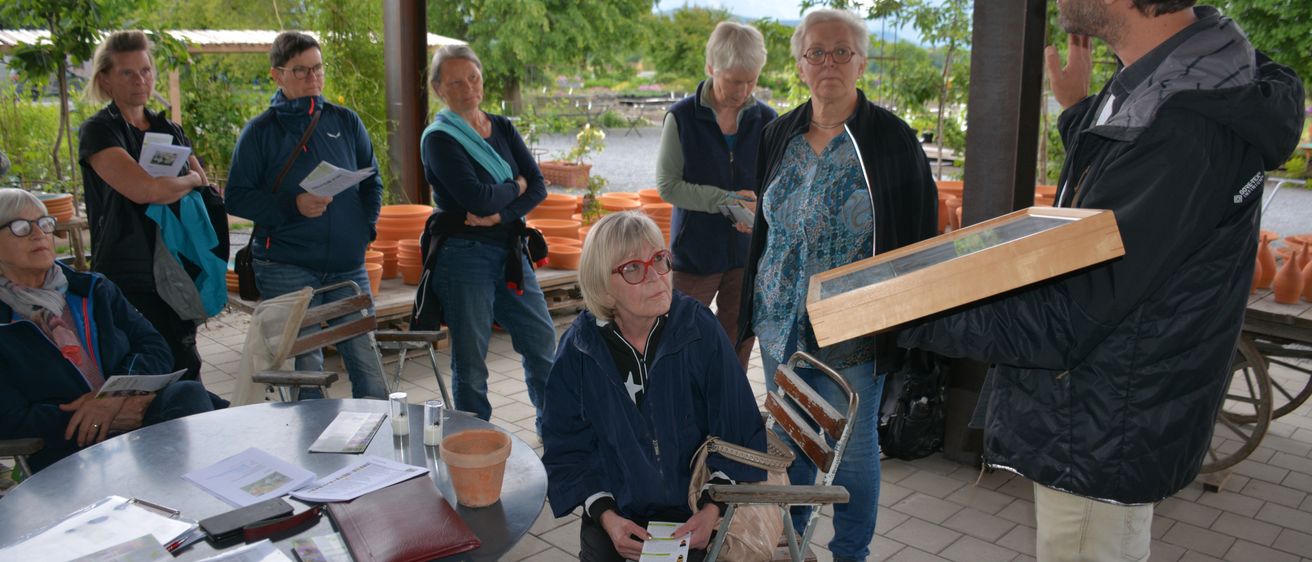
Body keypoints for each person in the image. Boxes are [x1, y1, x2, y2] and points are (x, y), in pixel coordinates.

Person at [897, 3, 1305, 561]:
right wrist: (1080, 110)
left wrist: (899, 306)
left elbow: (1070, 314)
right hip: (1109, 408)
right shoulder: (1185, 74)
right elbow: (1126, 206)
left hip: (1099, 424)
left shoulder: (1184, 125)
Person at [738, 9, 938, 562]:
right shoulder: (778, 133)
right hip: (780, 319)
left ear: (862, 61)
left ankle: (851, 553)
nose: (829, 62)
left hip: (854, 325)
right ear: (800, 63)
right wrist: (747, 324)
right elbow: (764, 231)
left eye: (842, 51)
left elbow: (919, 236)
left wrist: (906, 324)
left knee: (850, 452)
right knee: (794, 441)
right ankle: (795, 540)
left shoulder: (891, 140)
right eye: (817, 52)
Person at [542, 212, 766, 562]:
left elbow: (739, 430)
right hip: (618, 508)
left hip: (695, 503)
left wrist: (712, 509)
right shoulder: (578, 351)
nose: (657, 278)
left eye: (660, 260)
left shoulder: (698, 330)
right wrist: (606, 516)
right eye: (633, 268)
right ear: (602, 284)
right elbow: (566, 447)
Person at [0, 189, 227, 473]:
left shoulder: (92, 289)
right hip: (72, 449)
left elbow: (154, 346)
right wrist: (96, 413)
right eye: (20, 227)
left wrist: (115, 399)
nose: (39, 234)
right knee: (201, 420)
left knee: (188, 396)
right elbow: (9, 418)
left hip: (137, 419)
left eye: (44, 223)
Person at [225, 31, 387, 400]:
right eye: (301, 71)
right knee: (305, 370)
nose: (313, 78)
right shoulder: (260, 132)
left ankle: (377, 446)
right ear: (277, 75)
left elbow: (372, 180)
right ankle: (309, 453)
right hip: (286, 264)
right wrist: (292, 206)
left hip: (348, 264)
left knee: (367, 360)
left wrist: (365, 229)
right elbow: (235, 197)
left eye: (318, 68)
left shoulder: (345, 121)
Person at [78, 30, 226, 382]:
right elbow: (146, 190)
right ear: (105, 80)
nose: (140, 80)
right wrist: (186, 182)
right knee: (148, 369)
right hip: (129, 272)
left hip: (177, 262)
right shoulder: (99, 131)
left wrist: (185, 184)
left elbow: (202, 184)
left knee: (187, 365)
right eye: (127, 73)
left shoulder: (168, 128)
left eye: (145, 70)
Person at [419, 45, 556, 423]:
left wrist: (502, 215)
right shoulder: (439, 139)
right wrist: (515, 188)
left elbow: (539, 187)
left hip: (509, 250)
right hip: (463, 256)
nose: (468, 87)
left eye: (474, 77)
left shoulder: (503, 126)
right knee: (471, 360)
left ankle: (559, 435)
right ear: (438, 90)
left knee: (542, 342)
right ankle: (473, 442)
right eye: (456, 82)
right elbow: (477, 199)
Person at [656, 22, 776, 368]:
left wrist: (758, 208)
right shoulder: (681, 118)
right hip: (695, 252)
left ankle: (728, 410)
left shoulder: (768, 120)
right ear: (711, 68)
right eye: (734, 81)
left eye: (751, 80)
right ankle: (682, 408)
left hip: (748, 254)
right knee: (679, 336)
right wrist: (725, 201)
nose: (743, 90)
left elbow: (778, 186)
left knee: (737, 340)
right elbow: (668, 185)